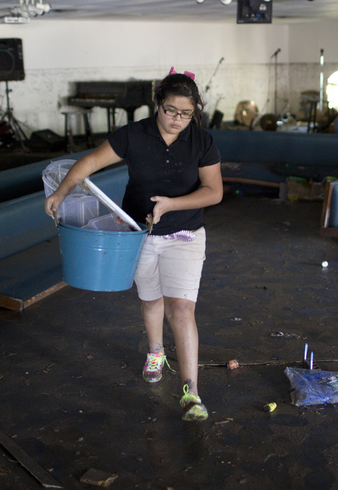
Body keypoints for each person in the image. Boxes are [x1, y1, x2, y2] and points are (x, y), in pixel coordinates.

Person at [45, 68, 223, 421]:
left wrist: (172, 204)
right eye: (171, 110)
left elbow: (213, 192)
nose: (177, 120)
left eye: (186, 114)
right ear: (157, 104)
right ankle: (155, 350)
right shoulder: (133, 135)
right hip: (137, 233)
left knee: (182, 308)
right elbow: (90, 162)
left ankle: (192, 392)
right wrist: (61, 192)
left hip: (185, 234)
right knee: (150, 299)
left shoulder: (201, 141)